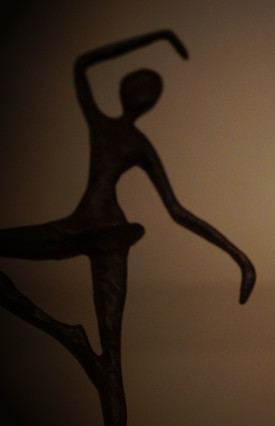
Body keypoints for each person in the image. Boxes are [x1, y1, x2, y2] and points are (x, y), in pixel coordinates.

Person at [0, 30, 255, 426]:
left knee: (113, 363)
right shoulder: (106, 127)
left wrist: (240, 258)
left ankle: (72, 340)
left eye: (145, 89)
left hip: (110, 235)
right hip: (90, 226)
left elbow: (176, 210)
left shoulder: (134, 141)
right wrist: (159, 36)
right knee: (110, 364)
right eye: (140, 85)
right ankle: (66, 335)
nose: (141, 93)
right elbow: (83, 64)